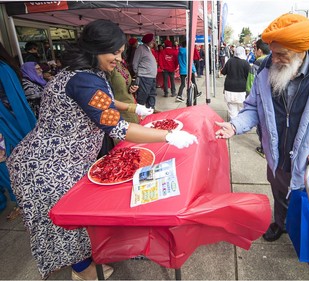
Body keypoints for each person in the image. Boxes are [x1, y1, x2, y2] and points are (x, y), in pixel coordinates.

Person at [6, 20, 198, 280]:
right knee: (67, 223)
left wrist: (134, 108)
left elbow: (103, 101)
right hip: (49, 164)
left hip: (61, 158)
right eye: (115, 53)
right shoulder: (83, 79)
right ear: (96, 49)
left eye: (121, 53)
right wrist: (168, 136)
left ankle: (86, 260)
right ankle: (82, 270)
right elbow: (118, 129)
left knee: (76, 220)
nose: (119, 59)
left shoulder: (84, 73)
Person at [214, 13, 309, 280]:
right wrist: (234, 125)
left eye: (282, 54)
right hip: (277, 153)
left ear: (301, 51)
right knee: (279, 192)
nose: (274, 59)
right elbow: (253, 107)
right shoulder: (267, 68)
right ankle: (281, 224)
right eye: (273, 52)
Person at [0, 42, 36, 219]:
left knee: (7, 163)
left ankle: (22, 201)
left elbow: (14, 103)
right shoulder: (6, 68)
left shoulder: (3, 69)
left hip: (9, 124)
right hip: (8, 123)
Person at [109, 55, 153, 124]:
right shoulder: (108, 67)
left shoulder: (121, 64)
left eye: (121, 52)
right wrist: (133, 108)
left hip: (130, 107)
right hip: (120, 111)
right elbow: (105, 99)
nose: (120, 58)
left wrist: (131, 88)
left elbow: (123, 84)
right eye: (116, 52)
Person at [246, 39, 270, 158]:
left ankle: (264, 149)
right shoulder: (272, 60)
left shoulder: (257, 63)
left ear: (259, 50)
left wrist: (249, 98)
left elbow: (251, 83)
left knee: (261, 127)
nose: (254, 52)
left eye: (255, 50)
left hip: (260, 101)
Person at [220, 46, 251, 118]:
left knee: (232, 111)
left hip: (229, 89)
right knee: (242, 110)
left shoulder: (230, 61)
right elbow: (249, 76)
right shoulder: (246, 63)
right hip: (242, 90)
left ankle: (233, 126)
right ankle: (240, 126)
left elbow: (223, 72)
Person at [132, 33, 158, 109]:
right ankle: (139, 112)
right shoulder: (140, 49)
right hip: (144, 77)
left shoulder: (148, 49)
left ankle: (151, 109)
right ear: (149, 41)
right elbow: (135, 63)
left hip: (151, 77)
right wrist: (138, 73)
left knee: (152, 94)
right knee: (143, 95)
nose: (154, 42)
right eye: (153, 40)